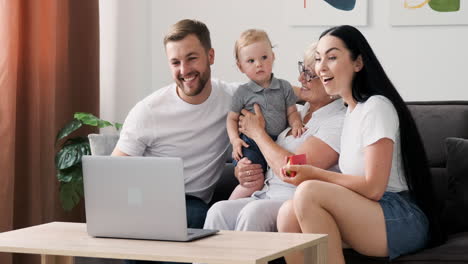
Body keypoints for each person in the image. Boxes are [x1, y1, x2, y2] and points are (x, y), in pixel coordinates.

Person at [277, 25, 445, 264]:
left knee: (308, 191)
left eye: (332, 57)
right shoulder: (350, 113)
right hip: (367, 209)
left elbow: (374, 188)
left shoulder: (376, 107)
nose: (320, 67)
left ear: (358, 63)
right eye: (317, 59)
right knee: (287, 213)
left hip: (398, 215)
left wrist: (313, 174)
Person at [111, 19, 239, 264]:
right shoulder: (148, 111)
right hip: (146, 202)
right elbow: (115, 173)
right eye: (175, 62)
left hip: (192, 202)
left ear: (210, 56)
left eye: (192, 58)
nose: (184, 70)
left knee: (197, 217)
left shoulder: (231, 97)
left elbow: (280, 91)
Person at [203, 42, 346, 233]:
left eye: (310, 74)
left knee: (253, 213)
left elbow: (293, 170)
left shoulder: (337, 122)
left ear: (330, 80)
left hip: (293, 200)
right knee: (217, 211)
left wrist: (258, 133)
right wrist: (244, 170)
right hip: (266, 193)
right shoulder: (298, 113)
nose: (301, 78)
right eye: (302, 69)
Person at [227, 29, 305, 200]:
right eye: (251, 60)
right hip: (251, 144)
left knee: (268, 178)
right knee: (253, 180)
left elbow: (291, 110)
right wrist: (235, 140)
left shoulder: (284, 87)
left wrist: (296, 123)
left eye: (264, 57)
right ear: (240, 66)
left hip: (277, 143)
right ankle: (230, 204)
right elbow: (232, 118)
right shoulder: (242, 92)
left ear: (273, 56)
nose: (258, 64)